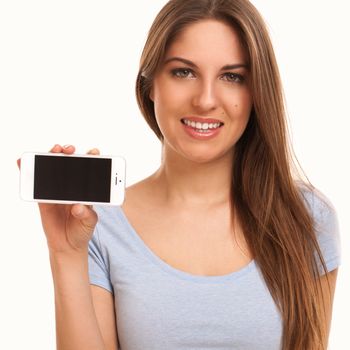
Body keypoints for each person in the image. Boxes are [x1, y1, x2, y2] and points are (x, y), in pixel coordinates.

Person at [19, 0, 341, 349]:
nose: (205, 100)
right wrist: (66, 253)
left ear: (256, 93)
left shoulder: (306, 218)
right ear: (150, 83)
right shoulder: (100, 225)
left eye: (232, 77)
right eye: (183, 72)